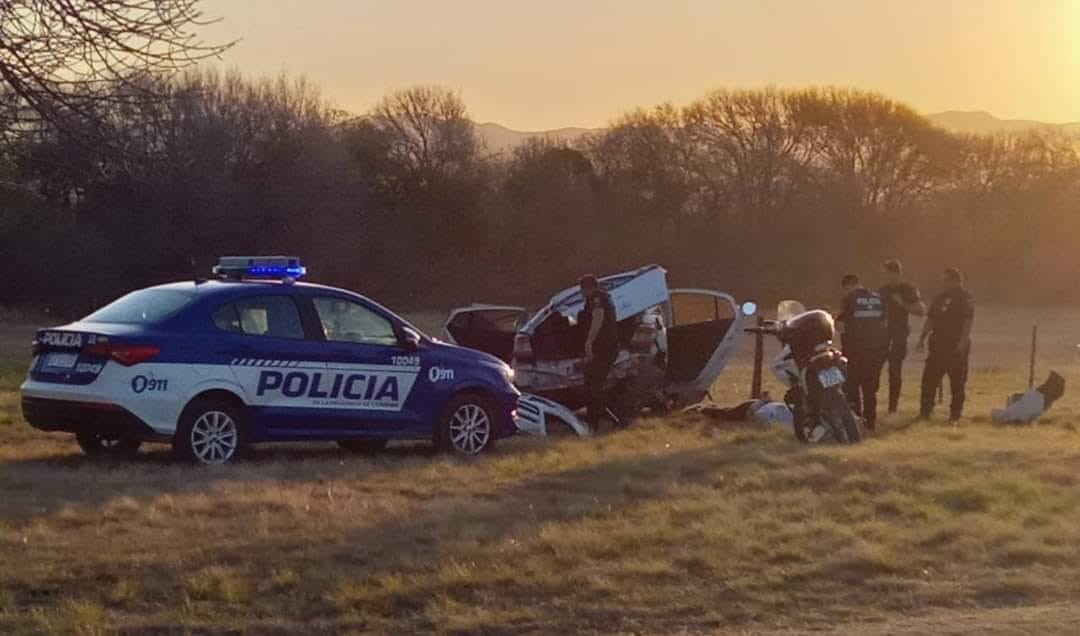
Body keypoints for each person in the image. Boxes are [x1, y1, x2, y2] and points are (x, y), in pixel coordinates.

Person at [917, 268, 975, 425]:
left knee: (957, 382)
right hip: (937, 346)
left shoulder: (965, 298)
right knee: (929, 380)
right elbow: (931, 319)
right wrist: (921, 338)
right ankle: (925, 412)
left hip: (955, 346)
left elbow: (968, 320)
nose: (943, 283)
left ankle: (955, 415)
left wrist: (963, 340)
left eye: (946, 280)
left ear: (956, 281)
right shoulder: (939, 298)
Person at [837, 274, 889, 431]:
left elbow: (840, 326)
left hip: (854, 351)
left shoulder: (849, 299)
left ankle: (856, 422)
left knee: (852, 387)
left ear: (847, 286)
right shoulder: (878, 298)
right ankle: (870, 423)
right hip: (876, 350)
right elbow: (884, 323)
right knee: (870, 389)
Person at [879, 259, 926, 413]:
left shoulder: (907, 289)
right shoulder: (882, 291)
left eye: (886, 273)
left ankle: (893, 407)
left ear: (895, 274)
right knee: (873, 369)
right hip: (881, 335)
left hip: (898, 335)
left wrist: (903, 304)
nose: (884, 276)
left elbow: (921, 310)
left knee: (894, 371)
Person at [579, 274, 621, 428]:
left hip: (605, 348)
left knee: (595, 385)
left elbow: (598, 318)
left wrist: (589, 342)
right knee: (590, 384)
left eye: (582, 289)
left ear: (587, 288)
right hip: (602, 348)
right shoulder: (601, 297)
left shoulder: (597, 298)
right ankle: (592, 421)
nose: (581, 293)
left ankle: (615, 419)